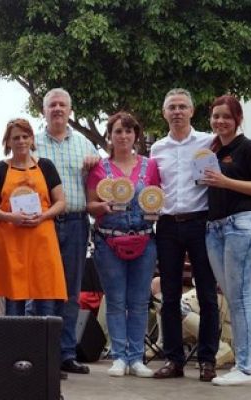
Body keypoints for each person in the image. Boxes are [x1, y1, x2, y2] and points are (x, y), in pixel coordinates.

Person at [149, 88, 220, 381]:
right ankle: (174, 360)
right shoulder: (157, 149)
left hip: (199, 222)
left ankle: (207, 360)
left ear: (192, 111)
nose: (177, 111)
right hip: (166, 225)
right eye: (172, 107)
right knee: (168, 295)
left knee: (206, 293)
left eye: (182, 107)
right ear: (164, 113)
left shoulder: (208, 142)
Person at [202, 94, 251, 385]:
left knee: (242, 298)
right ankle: (241, 364)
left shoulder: (250, 148)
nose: (220, 121)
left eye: (226, 117)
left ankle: (245, 368)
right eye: (216, 116)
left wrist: (226, 181)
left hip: (242, 225)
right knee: (233, 298)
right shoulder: (212, 150)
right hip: (215, 228)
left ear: (237, 119)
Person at [85, 112, 160, 378]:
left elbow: (157, 199)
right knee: (116, 300)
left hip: (144, 239)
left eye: (129, 131)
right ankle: (118, 356)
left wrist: (155, 210)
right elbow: (90, 205)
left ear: (136, 136)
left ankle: (136, 358)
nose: (124, 136)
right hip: (108, 239)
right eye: (118, 131)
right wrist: (102, 206)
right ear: (109, 136)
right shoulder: (98, 168)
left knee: (139, 301)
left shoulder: (150, 166)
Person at [33, 88, 99, 375]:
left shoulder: (86, 145)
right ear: (43, 110)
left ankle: (66, 354)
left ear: (70, 110)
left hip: (75, 222)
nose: (58, 109)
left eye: (62, 104)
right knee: (41, 291)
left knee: (70, 291)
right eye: (52, 105)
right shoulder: (30, 144)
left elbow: (99, 181)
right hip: (40, 225)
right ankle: (40, 353)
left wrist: (95, 163)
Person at [0, 118, 67, 317]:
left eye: (25, 136)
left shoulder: (46, 166)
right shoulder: (0, 169)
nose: (21, 141)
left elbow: (61, 203)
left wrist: (43, 215)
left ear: (32, 139)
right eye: (16, 138)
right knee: (14, 301)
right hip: (11, 242)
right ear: (8, 142)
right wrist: (10, 217)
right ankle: (16, 347)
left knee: (45, 299)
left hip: (42, 241)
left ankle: (44, 348)